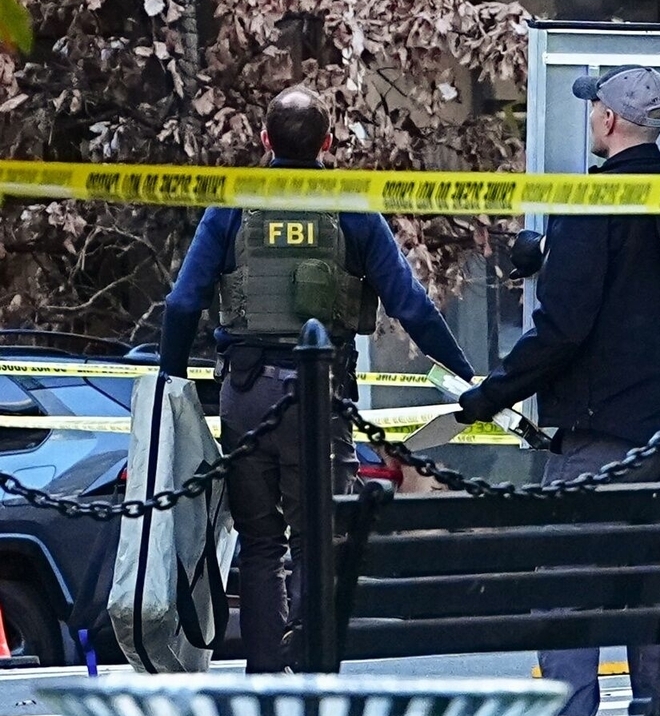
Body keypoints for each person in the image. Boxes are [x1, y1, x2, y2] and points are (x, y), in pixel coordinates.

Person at [456, 64, 660, 716]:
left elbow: (563, 330)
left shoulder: (593, 201)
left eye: (593, 111)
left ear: (609, 123)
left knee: (571, 592)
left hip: (606, 438)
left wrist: (487, 396)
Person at [159, 84, 476, 673]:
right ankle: (312, 674)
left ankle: (263, 681)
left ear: (263, 140)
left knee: (259, 546)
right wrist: (467, 379)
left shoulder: (233, 203)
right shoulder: (350, 208)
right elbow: (412, 307)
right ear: (328, 143)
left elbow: (181, 307)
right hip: (322, 399)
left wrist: (170, 385)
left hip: (247, 396)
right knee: (316, 543)